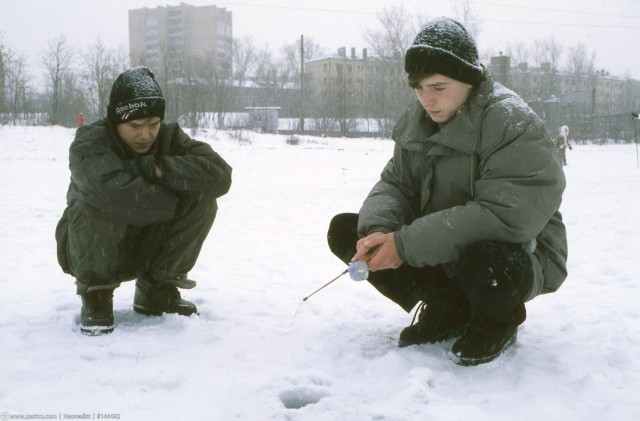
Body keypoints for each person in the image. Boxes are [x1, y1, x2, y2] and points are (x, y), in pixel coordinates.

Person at [327, 18, 567, 366]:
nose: (427, 99)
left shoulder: (511, 121)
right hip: (445, 248)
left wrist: (406, 244)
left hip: (518, 252)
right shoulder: (419, 120)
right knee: (348, 231)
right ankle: (448, 306)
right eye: (419, 87)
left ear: (468, 79)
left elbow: (505, 217)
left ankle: (499, 320)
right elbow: (396, 184)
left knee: (485, 257)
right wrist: (379, 231)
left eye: (438, 87)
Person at [55, 67, 232, 336]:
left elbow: (220, 176)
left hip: (147, 244)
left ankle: (156, 289)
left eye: (153, 124)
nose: (146, 135)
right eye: (134, 126)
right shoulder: (90, 142)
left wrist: (158, 168)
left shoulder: (170, 138)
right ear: (115, 122)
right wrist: (177, 201)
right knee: (93, 207)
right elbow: (114, 196)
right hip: (95, 251)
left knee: (204, 201)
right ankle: (96, 296)